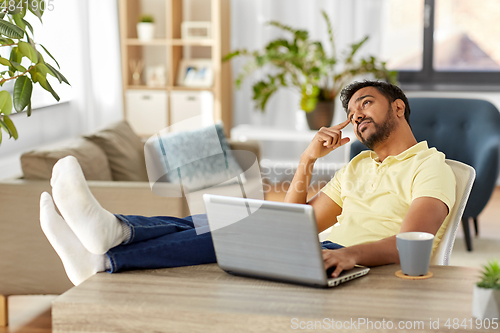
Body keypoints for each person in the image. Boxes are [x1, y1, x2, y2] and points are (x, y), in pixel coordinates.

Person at [40, 80, 455, 286]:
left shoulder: (430, 166)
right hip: (326, 250)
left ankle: (108, 254)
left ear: (398, 108)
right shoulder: (359, 166)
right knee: (211, 222)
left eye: (367, 102)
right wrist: (307, 161)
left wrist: (349, 254)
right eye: (352, 108)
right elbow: (299, 222)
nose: (357, 113)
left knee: (234, 232)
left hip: (358, 262)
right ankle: (113, 237)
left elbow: (411, 243)